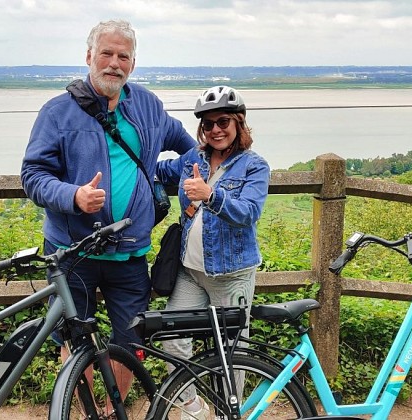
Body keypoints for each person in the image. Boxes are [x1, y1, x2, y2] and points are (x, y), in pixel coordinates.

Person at [21, 18, 196, 367]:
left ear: (133, 62)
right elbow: (33, 175)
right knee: (75, 341)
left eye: (124, 56)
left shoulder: (147, 105)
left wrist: (172, 183)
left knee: (132, 343)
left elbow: (189, 150)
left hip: (130, 252)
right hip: (74, 252)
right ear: (89, 56)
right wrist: (73, 196)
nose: (115, 63)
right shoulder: (57, 112)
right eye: (106, 54)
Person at [156, 85, 270, 419]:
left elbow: (248, 212)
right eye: (208, 124)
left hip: (232, 277)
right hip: (189, 273)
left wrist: (210, 195)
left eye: (223, 121)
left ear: (238, 124)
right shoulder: (193, 158)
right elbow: (158, 171)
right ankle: (193, 406)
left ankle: (227, 414)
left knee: (233, 354)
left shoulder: (254, 166)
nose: (215, 130)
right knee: (172, 337)